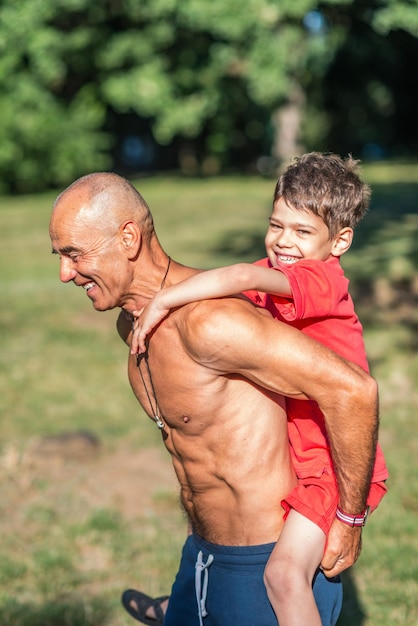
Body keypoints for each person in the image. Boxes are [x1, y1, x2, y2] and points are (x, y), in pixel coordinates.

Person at [50, 171, 380, 626]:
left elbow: (354, 390)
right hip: (200, 561)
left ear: (128, 238)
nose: (64, 272)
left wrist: (349, 519)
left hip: (262, 571)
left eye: (74, 254)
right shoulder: (131, 326)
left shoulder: (213, 324)